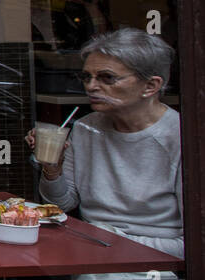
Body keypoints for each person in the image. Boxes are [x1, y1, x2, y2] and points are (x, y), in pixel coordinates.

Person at [30, 28, 182, 260]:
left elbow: (191, 246)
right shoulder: (86, 128)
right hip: (93, 250)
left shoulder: (182, 137)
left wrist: (112, 243)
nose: (91, 86)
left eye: (106, 78)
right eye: (86, 77)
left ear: (150, 86)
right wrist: (52, 168)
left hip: (155, 261)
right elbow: (61, 203)